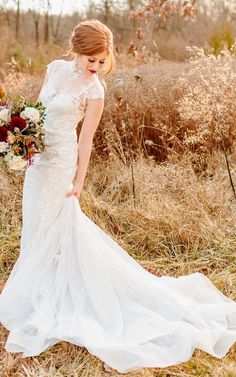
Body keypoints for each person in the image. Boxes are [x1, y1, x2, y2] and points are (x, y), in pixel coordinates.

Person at [0, 19, 236, 374]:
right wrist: (21, 140)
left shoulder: (94, 91)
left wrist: (79, 180)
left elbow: (86, 139)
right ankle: (35, 291)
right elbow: (38, 113)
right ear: (75, 49)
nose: (95, 67)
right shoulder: (54, 69)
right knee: (34, 223)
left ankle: (53, 296)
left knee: (56, 226)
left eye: (101, 60)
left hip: (62, 163)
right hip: (38, 162)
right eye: (89, 59)